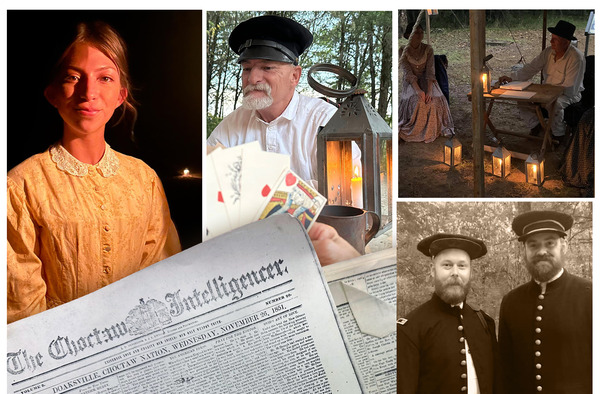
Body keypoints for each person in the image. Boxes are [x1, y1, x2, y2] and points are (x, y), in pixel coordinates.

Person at [7, 21, 181, 324]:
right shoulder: (20, 186)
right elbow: (20, 307)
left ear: (120, 95)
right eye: (74, 77)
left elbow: (163, 274)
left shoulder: (144, 180)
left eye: (105, 78)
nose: (89, 92)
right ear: (52, 94)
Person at [206, 15, 338, 185]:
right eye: (247, 68)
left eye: (267, 67)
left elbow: (341, 191)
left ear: (294, 76)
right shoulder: (231, 126)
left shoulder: (324, 121)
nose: (252, 79)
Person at [498, 210, 592, 393]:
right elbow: (505, 371)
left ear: (563, 246)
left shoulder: (590, 295)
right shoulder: (511, 302)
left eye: (550, 243)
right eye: (533, 245)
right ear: (524, 251)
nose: (541, 251)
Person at [398, 233, 501, 394]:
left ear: (470, 271)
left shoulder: (484, 322)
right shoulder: (410, 328)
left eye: (462, 266)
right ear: (432, 270)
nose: (455, 272)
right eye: (447, 265)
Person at [498, 20, 585, 142]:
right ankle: (536, 125)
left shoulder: (576, 58)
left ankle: (558, 135)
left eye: (556, 40)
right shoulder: (548, 52)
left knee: (555, 104)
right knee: (521, 98)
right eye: (552, 38)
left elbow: (569, 88)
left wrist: (546, 95)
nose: (551, 42)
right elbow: (531, 68)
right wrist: (512, 78)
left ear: (566, 42)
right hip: (546, 91)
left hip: (568, 94)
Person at [398, 23, 454, 143]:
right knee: (418, 100)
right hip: (411, 82)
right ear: (408, 35)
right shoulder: (403, 50)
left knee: (433, 100)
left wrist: (429, 90)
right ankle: (414, 131)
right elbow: (407, 72)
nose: (420, 35)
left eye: (421, 32)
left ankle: (431, 129)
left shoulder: (428, 49)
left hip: (427, 79)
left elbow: (430, 71)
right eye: (416, 32)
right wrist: (418, 90)